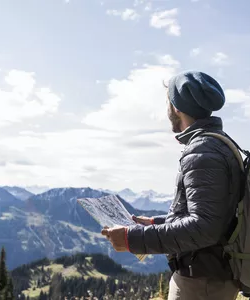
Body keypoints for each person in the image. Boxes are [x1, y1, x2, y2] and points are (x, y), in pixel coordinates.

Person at [101, 71, 242, 300]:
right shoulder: (216, 144)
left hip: (201, 282)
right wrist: (157, 223)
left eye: (169, 102)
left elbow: (205, 227)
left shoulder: (203, 151)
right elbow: (216, 215)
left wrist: (132, 239)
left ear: (177, 107)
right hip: (210, 276)